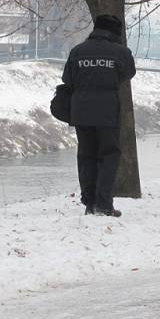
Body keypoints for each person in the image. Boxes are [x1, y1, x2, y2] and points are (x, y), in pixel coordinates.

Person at [62, 15, 136, 217]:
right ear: (116, 32)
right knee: (108, 155)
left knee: (86, 155)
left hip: (81, 111)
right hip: (107, 112)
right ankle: (103, 203)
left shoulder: (78, 51)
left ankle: (89, 203)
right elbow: (128, 73)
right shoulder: (121, 52)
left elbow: (67, 78)